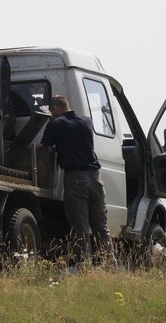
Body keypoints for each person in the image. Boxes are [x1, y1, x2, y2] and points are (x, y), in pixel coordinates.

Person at [41, 95, 117, 268]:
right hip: (96, 179)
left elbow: (45, 146)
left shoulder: (56, 123)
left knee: (79, 228)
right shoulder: (87, 121)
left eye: (53, 112)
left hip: (75, 180)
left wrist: (50, 121)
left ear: (56, 109)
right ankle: (111, 265)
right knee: (101, 227)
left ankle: (85, 268)